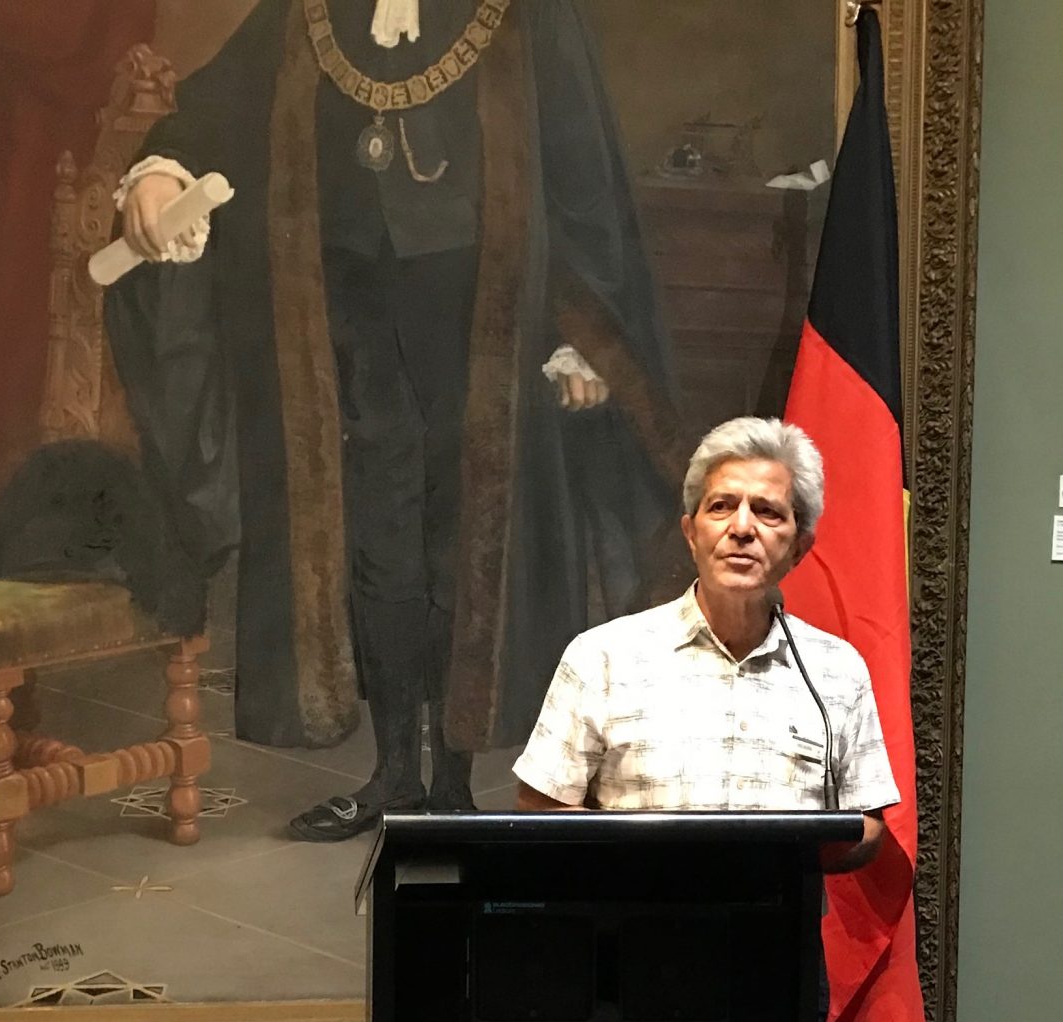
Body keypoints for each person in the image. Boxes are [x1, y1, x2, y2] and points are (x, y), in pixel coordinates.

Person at [105, 0, 681, 839]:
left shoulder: (527, 11)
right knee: (379, 540)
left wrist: (582, 340)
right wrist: (162, 168)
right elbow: (220, 103)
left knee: (463, 542)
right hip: (348, 314)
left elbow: (580, 167)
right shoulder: (311, 8)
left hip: (483, 320)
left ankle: (453, 786)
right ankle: (394, 775)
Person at [513, 417, 893, 874]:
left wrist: (773, 860)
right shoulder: (602, 657)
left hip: (779, 915)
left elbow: (867, 822)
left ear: (799, 547)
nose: (742, 527)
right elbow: (540, 808)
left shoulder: (838, 670)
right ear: (691, 533)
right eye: (721, 506)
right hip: (638, 912)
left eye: (767, 512)